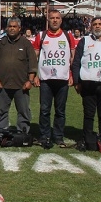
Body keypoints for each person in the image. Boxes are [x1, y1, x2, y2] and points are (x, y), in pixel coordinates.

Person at [71, 17, 101, 151]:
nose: (97, 26)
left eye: (100, 24)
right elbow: (76, 62)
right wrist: (76, 82)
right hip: (87, 84)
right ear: (90, 27)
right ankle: (88, 139)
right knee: (88, 114)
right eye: (95, 24)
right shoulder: (84, 41)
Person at [32, 10, 76, 148]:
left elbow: (72, 58)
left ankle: (58, 137)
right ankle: (44, 136)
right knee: (44, 110)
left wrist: (71, 75)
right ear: (48, 20)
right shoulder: (41, 35)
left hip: (62, 78)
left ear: (61, 20)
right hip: (45, 78)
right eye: (52, 18)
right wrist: (35, 75)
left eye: (57, 18)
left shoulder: (68, 36)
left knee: (60, 110)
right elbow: (35, 57)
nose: (55, 20)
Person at [0, 17, 37, 135]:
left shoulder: (26, 43)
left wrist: (30, 81)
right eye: (10, 26)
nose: (11, 29)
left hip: (22, 85)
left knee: (23, 111)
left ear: (19, 28)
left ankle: (23, 131)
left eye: (14, 26)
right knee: (1, 110)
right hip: (3, 84)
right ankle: (1, 130)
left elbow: (32, 63)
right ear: (6, 28)